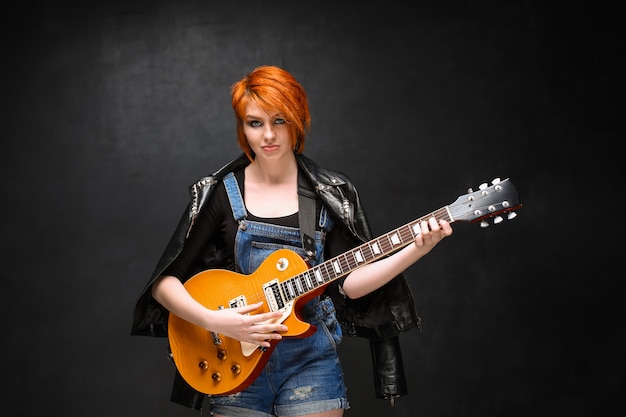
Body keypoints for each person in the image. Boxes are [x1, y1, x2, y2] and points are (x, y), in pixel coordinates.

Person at [131, 65, 453, 417]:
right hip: (238, 359)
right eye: (255, 123)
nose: (268, 135)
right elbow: (163, 284)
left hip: (310, 360)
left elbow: (350, 286)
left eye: (279, 121)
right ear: (243, 127)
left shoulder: (329, 193)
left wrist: (416, 249)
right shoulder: (222, 193)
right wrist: (217, 322)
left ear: (297, 120)